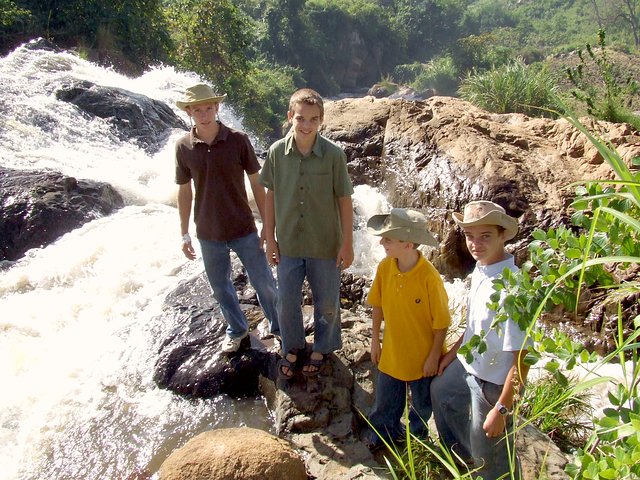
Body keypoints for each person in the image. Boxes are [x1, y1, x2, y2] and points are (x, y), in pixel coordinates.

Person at [174, 83, 279, 353]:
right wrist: (183, 232)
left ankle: (278, 326)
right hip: (208, 232)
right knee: (220, 289)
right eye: (198, 109)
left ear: (217, 108)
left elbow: (257, 182)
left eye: (209, 107)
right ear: (189, 112)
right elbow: (184, 191)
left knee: (264, 282)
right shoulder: (183, 147)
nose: (205, 114)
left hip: (243, 226)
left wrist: (268, 224)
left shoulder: (238, 139)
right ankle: (237, 329)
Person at [259, 88, 354, 379]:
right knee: (286, 300)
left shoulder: (334, 155)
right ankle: (294, 345)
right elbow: (270, 195)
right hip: (288, 242)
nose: (306, 125)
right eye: (300, 118)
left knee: (326, 301)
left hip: (325, 242)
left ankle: (323, 347)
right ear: (290, 117)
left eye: (313, 119)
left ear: (321, 120)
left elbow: (344, 200)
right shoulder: (276, 152)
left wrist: (347, 243)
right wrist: (269, 237)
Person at [431, 200, 529, 479]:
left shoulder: (511, 288)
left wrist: (501, 408)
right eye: (469, 236)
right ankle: (464, 460)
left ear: (502, 236)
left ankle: (488, 466)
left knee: (494, 461)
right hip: (468, 364)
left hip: (493, 383)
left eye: (485, 236)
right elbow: (475, 325)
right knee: (440, 390)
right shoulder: (482, 268)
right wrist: (450, 356)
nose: (475, 244)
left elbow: (523, 358)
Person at [362, 208, 451, 451]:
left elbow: (441, 322)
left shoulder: (430, 278)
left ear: (408, 244)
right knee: (385, 401)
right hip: (392, 353)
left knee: (421, 406)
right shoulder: (385, 267)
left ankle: (418, 441)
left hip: (423, 358)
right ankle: (382, 435)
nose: (381, 242)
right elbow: (377, 305)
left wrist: (434, 356)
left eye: (388, 239)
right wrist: (375, 341)